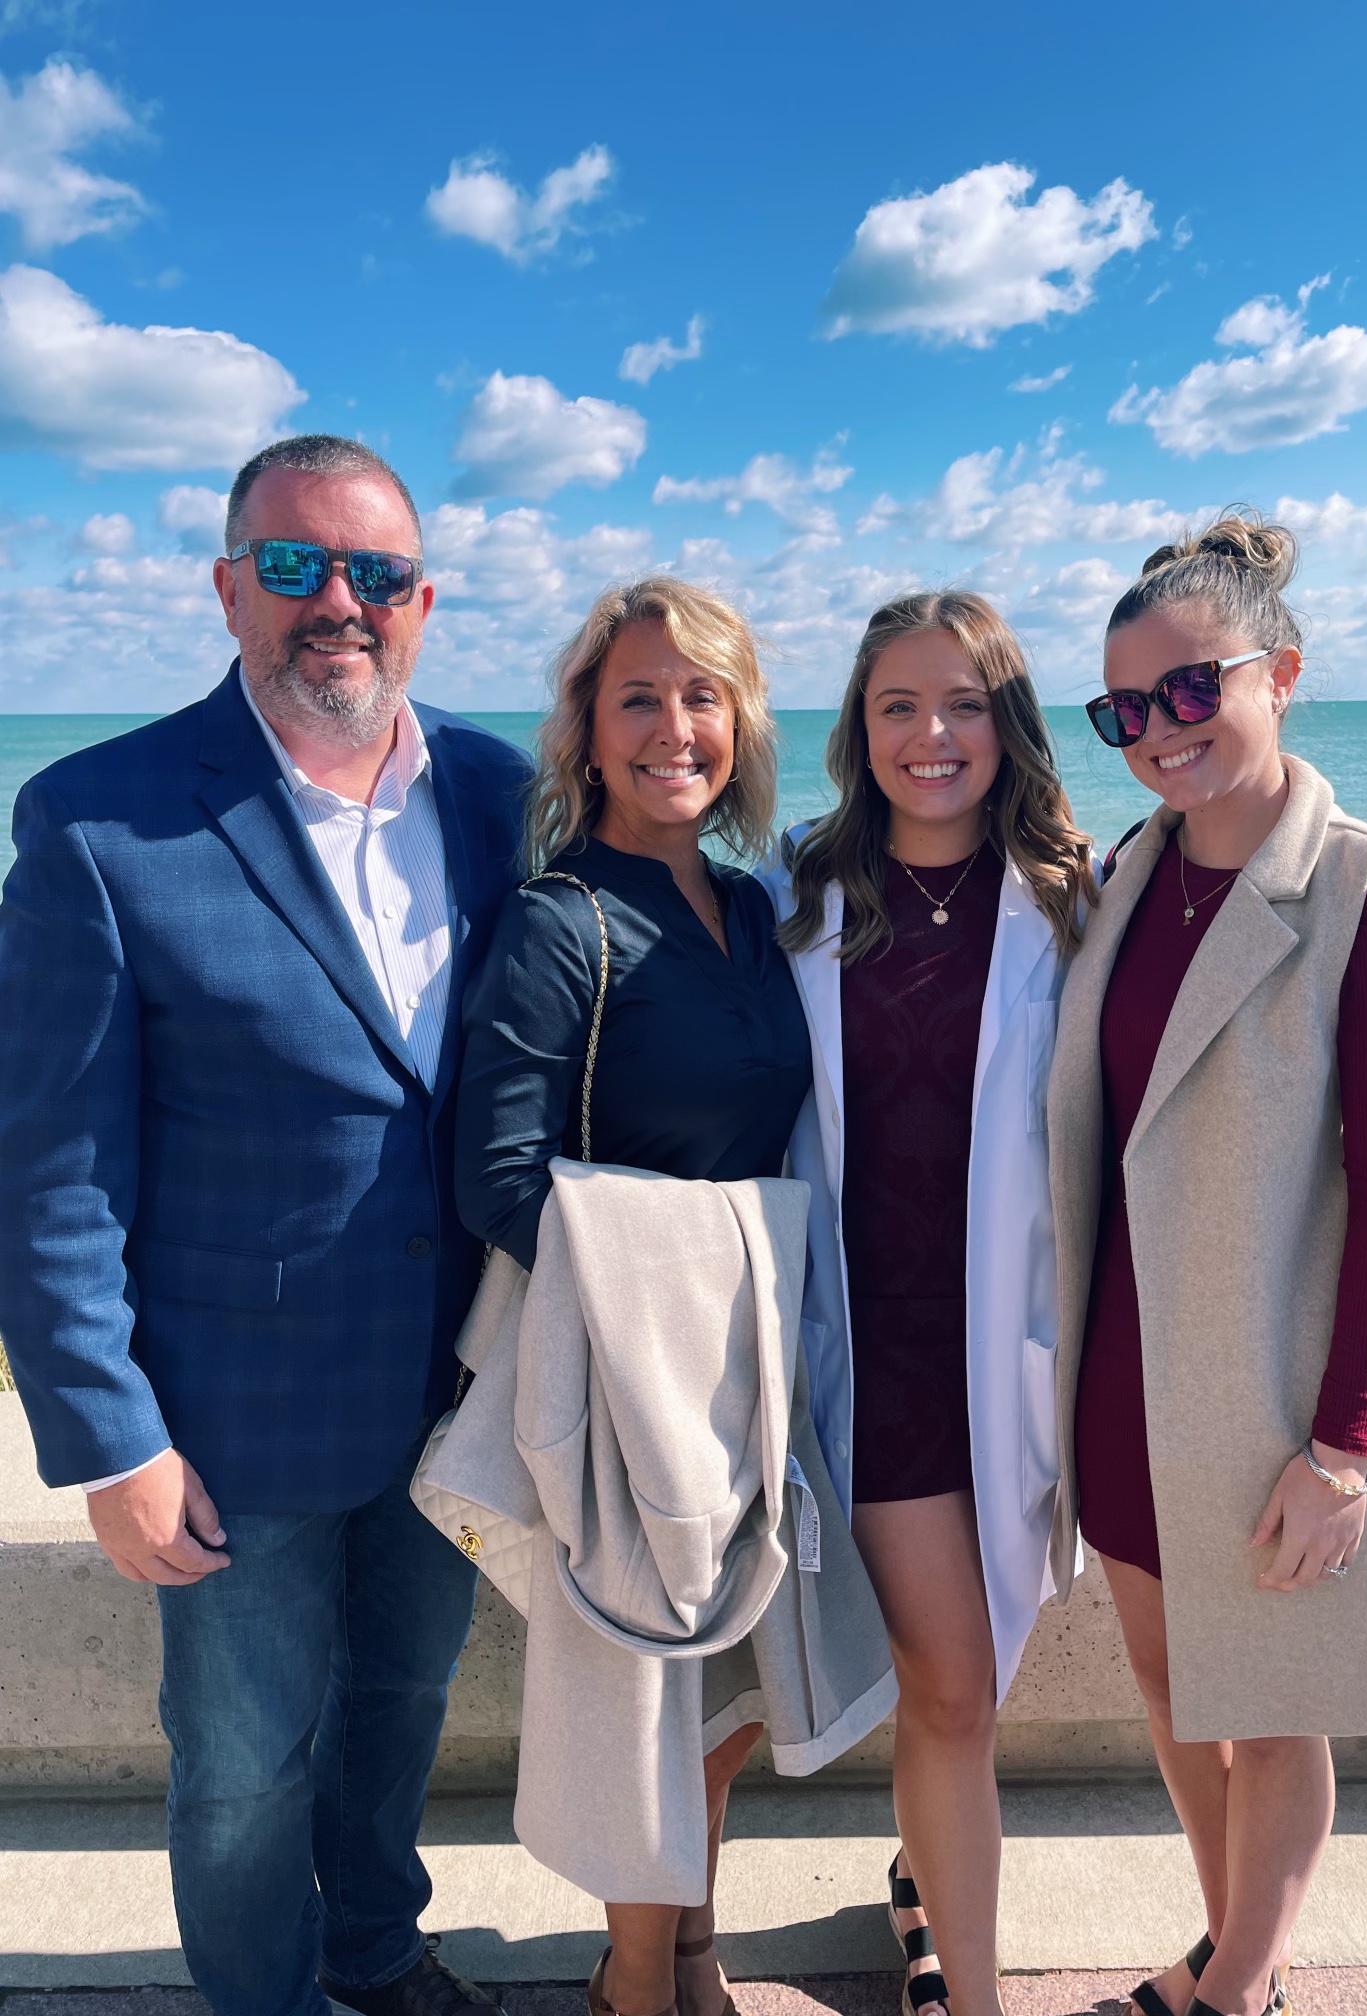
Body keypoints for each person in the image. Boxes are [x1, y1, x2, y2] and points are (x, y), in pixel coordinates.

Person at [0, 435, 532, 2016]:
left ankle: (373, 1947)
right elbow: (50, 1166)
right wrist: (111, 1439)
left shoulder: (505, 795)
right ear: (230, 587)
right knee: (239, 1767)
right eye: (295, 565)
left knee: (402, 1707)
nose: (337, 603)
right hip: (231, 1421)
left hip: (457, 1392)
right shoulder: (99, 822)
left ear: (423, 602)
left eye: (376, 573)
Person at [1048, 514, 1367, 2016]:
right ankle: (1233, 1943)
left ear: (1279, 674)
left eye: (1191, 688)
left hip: (1269, 1374)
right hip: (1125, 1358)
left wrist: (1351, 1443)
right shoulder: (1126, 876)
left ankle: (1234, 1991)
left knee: (1277, 1707)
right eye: (1122, 708)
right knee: (1173, 1685)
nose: (1156, 729)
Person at [455, 577, 882, 2016]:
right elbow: (495, 1175)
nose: (672, 728)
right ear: (586, 731)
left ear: (742, 725)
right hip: (640, 1368)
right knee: (651, 1698)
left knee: (730, 1689)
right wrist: (661, 1300)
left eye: (703, 697)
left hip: (751, 1362)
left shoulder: (754, 910)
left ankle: (687, 1951)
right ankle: (639, 1986)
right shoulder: (560, 920)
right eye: (637, 697)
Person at [770, 592, 1097, 2016]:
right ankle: (972, 1994)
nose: (932, 735)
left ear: (1007, 724)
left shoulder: (1074, 900)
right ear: (858, 728)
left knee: (982, 1669)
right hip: (874, 1351)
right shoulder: (792, 891)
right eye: (898, 705)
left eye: (965, 704)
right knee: (952, 1686)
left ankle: (922, 1876)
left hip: (1016, 1353)